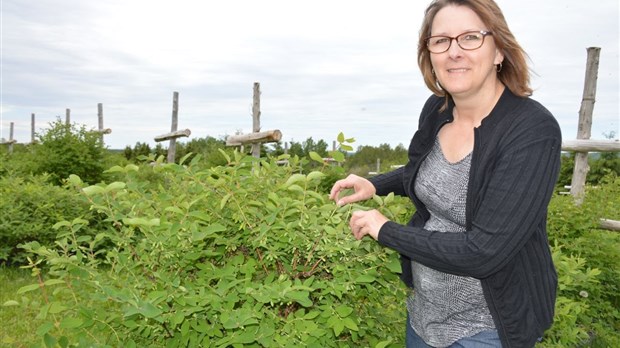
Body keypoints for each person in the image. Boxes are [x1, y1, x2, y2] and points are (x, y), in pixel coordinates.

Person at [329, 0, 562, 347]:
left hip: (488, 329)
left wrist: (385, 230)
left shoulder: (531, 131)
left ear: (499, 50)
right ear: (430, 54)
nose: (454, 52)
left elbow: (484, 251)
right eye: (441, 40)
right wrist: (374, 184)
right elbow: (424, 172)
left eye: (470, 37)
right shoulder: (437, 109)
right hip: (424, 314)